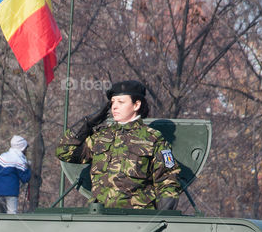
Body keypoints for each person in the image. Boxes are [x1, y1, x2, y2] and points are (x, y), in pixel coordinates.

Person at [56, 80, 181, 209]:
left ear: (136, 105)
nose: (114, 107)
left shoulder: (153, 139)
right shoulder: (101, 137)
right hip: (99, 216)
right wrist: (87, 124)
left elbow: (167, 181)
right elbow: (64, 152)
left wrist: (160, 219)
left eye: (120, 102)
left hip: (136, 219)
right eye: (112, 102)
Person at [0, 135, 31, 214]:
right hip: (11, 192)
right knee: (12, 214)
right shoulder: (19, 160)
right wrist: (29, 168)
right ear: (22, 148)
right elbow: (25, 178)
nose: (26, 150)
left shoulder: (2, 156)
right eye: (26, 148)